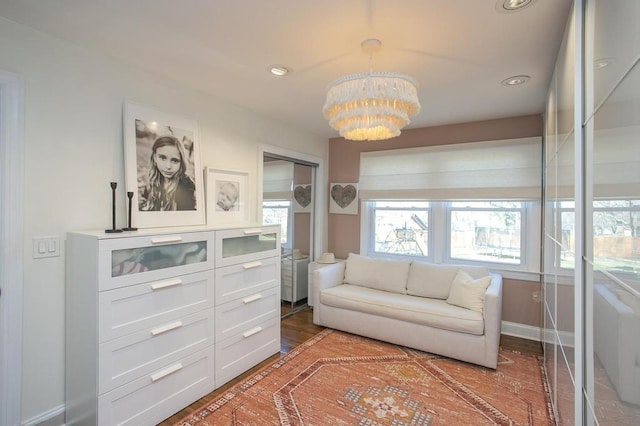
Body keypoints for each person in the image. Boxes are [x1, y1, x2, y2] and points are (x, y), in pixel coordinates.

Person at [139, 135, 196, 211]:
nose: (168, 166)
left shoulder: (186, 185)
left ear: (181, 162)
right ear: (155, 157)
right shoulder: (153, 178)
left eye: (175, 160)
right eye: (162, 158)